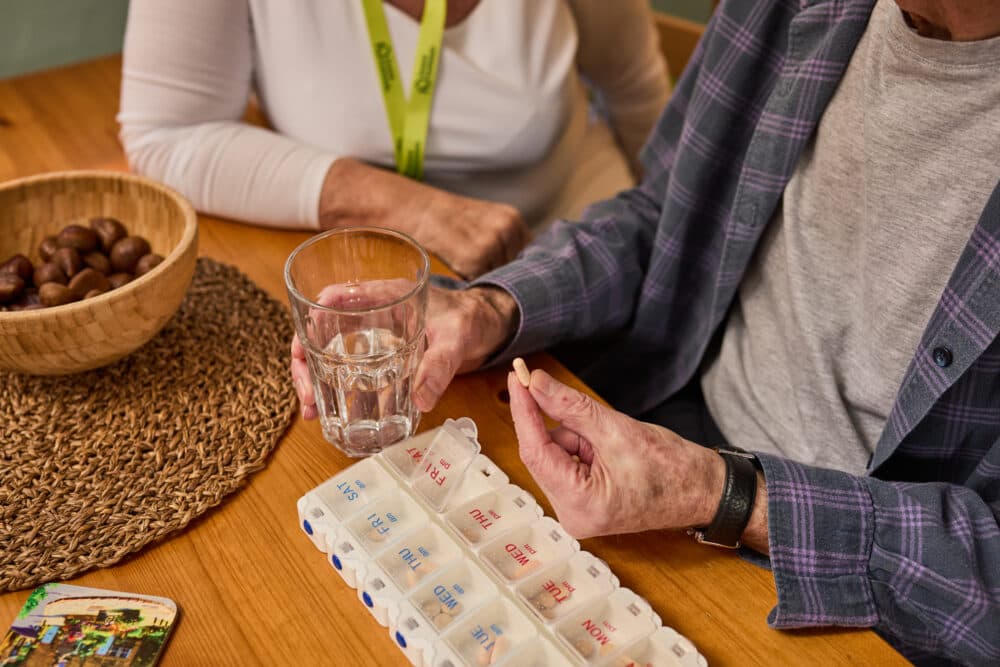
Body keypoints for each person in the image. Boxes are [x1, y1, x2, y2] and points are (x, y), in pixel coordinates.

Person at [290, 0, 1000, 662]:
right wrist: (494, 308)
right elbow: (665, 214)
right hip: (664, 444)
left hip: (858, 595)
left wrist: (728, 494)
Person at [116, 0, 670, 279]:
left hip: (580, 264)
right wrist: (417, 210)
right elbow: (167, 133)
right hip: (369, 280)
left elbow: (639, 96)